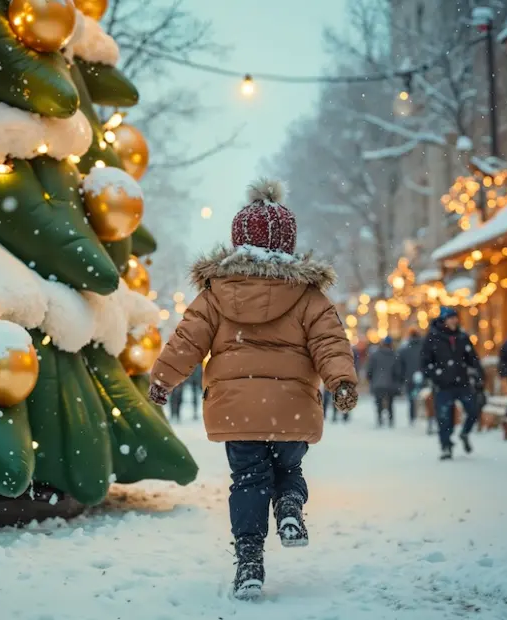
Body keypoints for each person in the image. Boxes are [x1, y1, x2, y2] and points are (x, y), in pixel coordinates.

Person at [146, 178, 359, 601]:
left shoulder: (215, 294)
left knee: (248, 479)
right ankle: (290, 507)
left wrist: (162, 379)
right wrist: (341, 381)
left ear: (237, 241)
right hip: (292, 408)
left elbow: (187, 341)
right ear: (289, 242)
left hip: (236, 410)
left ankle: (248, 561)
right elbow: (329, 342)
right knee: (289, 470)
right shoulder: (308, 296)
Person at [420, 307, 483, 460]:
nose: (455, 320)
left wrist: (479, 376)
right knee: (444, 417)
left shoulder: (462, 337)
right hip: (443, 386)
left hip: (463, 383)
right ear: (444, 320)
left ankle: (464, 433)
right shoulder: (432, 338)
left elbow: (473, 359)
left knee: (474, 410)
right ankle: (446, 446)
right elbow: (424, 363)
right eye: (451, 318)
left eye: (456, 317)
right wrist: (437, 375)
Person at [366, 336, 402, 427]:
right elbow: (398, 372)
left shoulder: (375, 355)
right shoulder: (395, 355)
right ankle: (390, 420)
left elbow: (370, 370)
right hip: (390, 384)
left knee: (378, 402)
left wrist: (370, 378)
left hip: (378, 383)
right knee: (390, 403)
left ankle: (379, 419)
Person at [397, 328, 424, 425]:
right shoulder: (424, 348)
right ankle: (423, 415)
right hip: (423, 377)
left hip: (409, 377)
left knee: (412, 398)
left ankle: (413, 417)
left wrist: (401, 378)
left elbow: (400, 365)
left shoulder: (404, 350)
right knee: (423, 397)